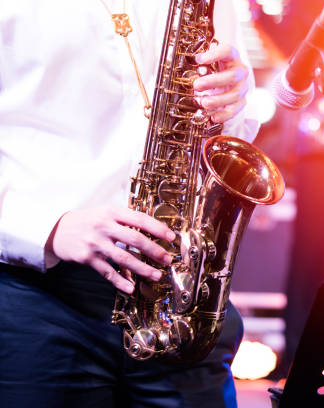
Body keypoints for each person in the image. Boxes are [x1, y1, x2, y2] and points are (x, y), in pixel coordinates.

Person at [0, 1, 258, 407]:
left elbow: (233, 128)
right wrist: (45, 228)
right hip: (38, 302)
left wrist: (234, 102)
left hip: (180, 300)